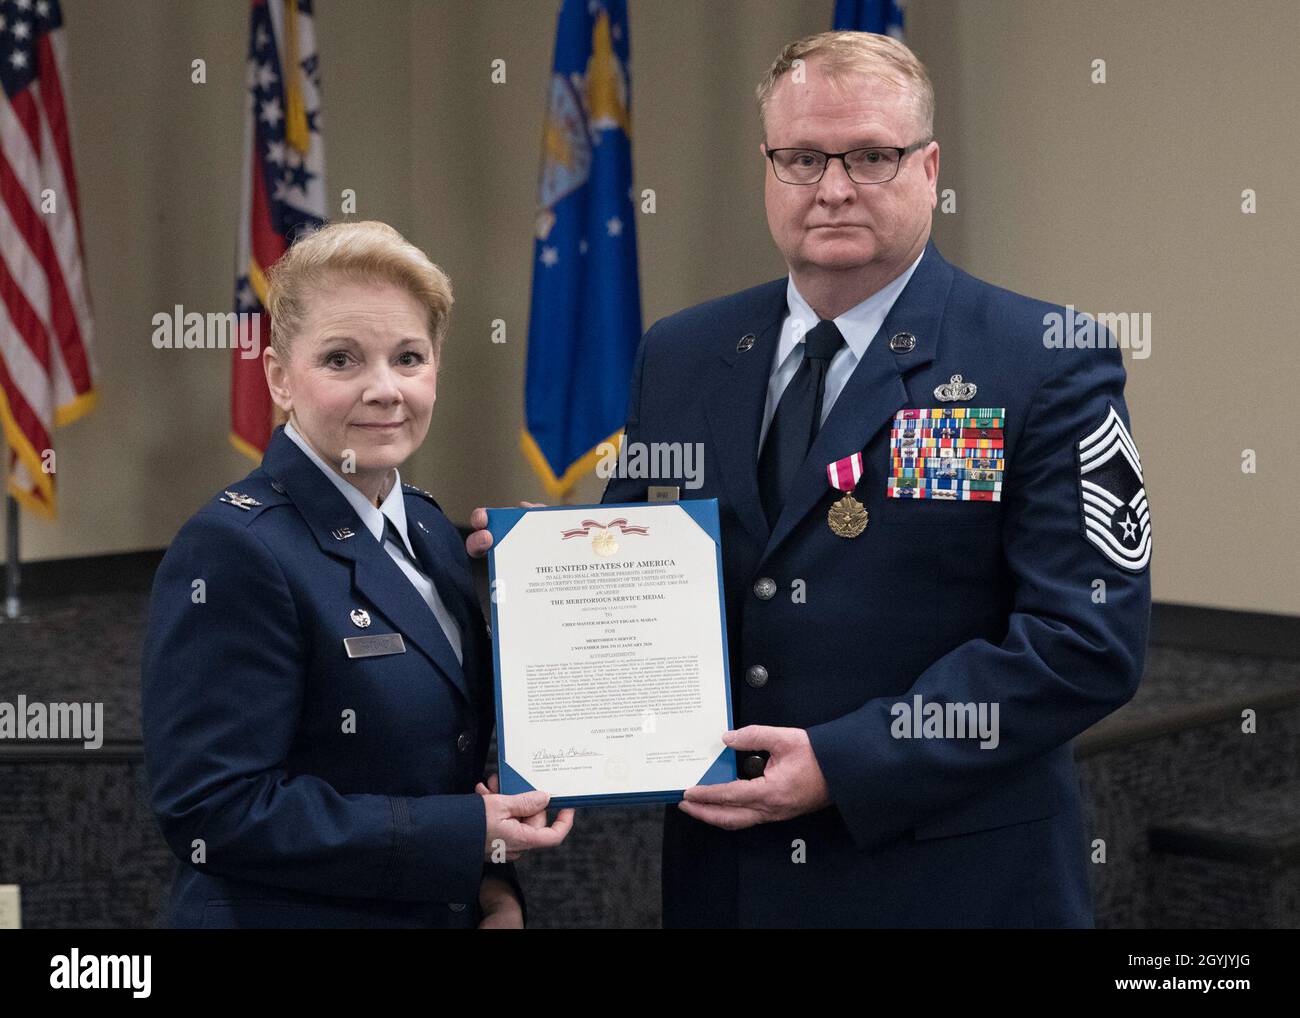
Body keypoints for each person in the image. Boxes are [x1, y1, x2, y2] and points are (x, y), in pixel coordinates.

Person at [470, 31, 1151, 927]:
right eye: (800, 158)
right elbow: (637, 569)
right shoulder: (682, 354)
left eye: (870, 155)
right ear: (768, 166)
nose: (831, 188)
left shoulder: (1042, 360)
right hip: (731, 877)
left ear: (930, 166)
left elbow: (1085, 644)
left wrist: (852, 759)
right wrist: (544, 572)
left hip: (952, 882)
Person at [142, 220, 572, 929]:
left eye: (408, 358)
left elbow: (442, 766)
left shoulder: (434, 531)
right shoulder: (232, 549)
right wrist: (471, 833)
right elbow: (213, 810)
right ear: (280, 377)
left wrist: (493, 887)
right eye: (341, 360)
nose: (384, 389)